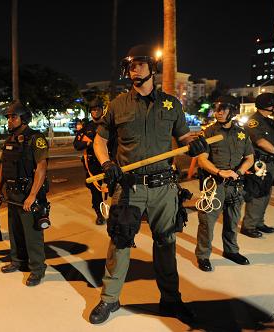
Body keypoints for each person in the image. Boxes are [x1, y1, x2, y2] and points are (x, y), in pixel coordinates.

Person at [89, 44, 208, 324]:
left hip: (164, 188)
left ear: (151, 68)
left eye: (139, 64)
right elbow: (100, 140)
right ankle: (110, 300)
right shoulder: (118, 104)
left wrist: (195, 144)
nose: (134, 69)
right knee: (119, 244)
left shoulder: (171, 104)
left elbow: (184, 137)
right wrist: (106, 163)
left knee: (166, 243)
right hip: (128, 188)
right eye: (130, 65)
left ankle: (170, 300)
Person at [195, 95, 254, 272]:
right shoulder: (209, 132)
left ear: (232, 111)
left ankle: (231, 251)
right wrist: (220, 172)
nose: (218, 112)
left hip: (235, 184)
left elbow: (250, 158)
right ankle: (203, 255)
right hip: (214, 184)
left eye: (223, 109)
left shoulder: (242, 133)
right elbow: (202, 160)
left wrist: (238, 172)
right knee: (207, 222)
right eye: (216, 108)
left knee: (233, 221)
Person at [0, 101, 49, 287]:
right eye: (8, 117)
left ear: (23, 118)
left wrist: (33, 196)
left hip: (28, 194)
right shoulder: (10, 139)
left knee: (32, 235)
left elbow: (41, 167)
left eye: (13, 116)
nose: (9, 120)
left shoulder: (36, 138)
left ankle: (37, 269)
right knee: (15, 231)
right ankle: (17, 261)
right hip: (12, 194)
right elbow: (4, 167)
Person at [241, 93, 274, 238]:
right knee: (257, 194)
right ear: (267, 105)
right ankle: (249, 226)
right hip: (260, 164)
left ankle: (259, 222)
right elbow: (260, 141)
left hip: (270, 163)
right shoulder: (254, 122)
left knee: (266, 193)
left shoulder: (269, 121)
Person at [73, 98, 107, 225]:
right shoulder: (86, 128)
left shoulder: (109, 125)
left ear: (102, 110)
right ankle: (100, 214)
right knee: (95, 191)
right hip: (93, 164)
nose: (96, 112)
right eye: (93, 109)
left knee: (115, 187)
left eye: (98, 109)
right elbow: (76, 144)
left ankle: (115, 213)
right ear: (90, 112)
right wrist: (89, 143)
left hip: (109, 161)